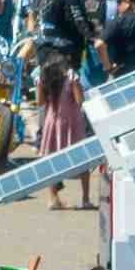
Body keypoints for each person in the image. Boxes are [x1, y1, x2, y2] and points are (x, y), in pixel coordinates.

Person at [36, 50, 94, 210]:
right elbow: (79, 100)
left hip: (51, 123)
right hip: (72, 122)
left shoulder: (43, 78)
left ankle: (54, 199)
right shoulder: (71, 77)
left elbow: (40, 102)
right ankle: (85, 199)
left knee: (52, 161)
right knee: (83, 161)